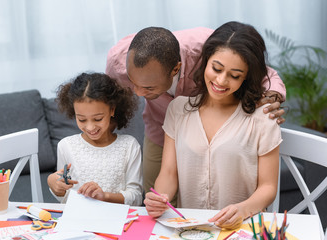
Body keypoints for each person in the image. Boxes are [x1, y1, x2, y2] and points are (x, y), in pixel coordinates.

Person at [106, 26, 286, 197]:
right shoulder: (118, 62)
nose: (138, 94)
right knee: (154, 194)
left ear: (175, 69)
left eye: (148, 87)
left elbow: (264, 73)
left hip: (202, 134)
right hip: (158, 127)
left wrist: (272, 97)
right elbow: (108, 101)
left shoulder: (208, 49)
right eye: (133, 83)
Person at [143, 21, 282, 229]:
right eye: (216, 68)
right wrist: (160, 197)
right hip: (190, 229)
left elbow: (268, 187)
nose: (221, 80)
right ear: (205, 61)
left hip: (240, 229)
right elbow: (169, 172)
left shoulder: (262, 118)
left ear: (246, 77)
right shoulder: (178, 110)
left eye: (235, 75)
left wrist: (243, 209)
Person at [47, 72, 143, 206]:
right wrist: (56, 188)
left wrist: (105, 196)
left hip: (117, 221)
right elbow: (65, 199)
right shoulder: (66, 146)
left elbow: (136, 197)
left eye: (98, 119)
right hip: (79, 221)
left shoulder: (129, 146)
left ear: (112, 110)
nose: (90, 127)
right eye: (81, 119)